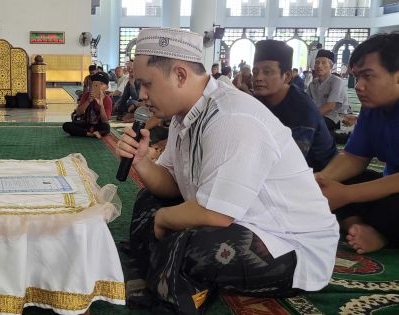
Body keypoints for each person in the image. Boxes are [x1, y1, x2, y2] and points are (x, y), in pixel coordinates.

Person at [117, 28, 338, 314]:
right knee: (149, 200)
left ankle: (173, 286)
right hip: (232, 217)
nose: (143, 95)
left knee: (196, 243)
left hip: (287, 243)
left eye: (147, 84)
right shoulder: (183, 116)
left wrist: (163, 219)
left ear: (180, 75)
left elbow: (216, 214)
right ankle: (162, 262)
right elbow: (172, 184)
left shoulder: (232, 117)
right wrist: (142, 161)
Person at [315, 32, 399, 255]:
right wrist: (321, 180)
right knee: (333, 184)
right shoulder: (373, 110)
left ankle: (381, 235)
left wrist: (348, 195)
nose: (358, 86)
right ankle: (358, 227)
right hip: (389, 188)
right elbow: (354, 157)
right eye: (357, 77)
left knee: (386, 206)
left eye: (368, 76)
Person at [252, 40, 337, 171]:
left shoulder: (302, 110)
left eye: (267, 72)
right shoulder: (259, 98)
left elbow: (291, 164)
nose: (258, 78)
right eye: (255, 72)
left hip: (319, 173)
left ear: (286, 76)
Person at [307, 49, 347, 134]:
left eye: (323, 63)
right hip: (317, 116)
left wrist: (310, 118)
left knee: (311, 125)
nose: (319, 66)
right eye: (317, 62)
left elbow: (330, 106)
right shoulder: (312, 84)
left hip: (334, 118)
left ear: (331, 66)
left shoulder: (337, 81)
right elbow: (307, 104)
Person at [63, 72, 112, 139]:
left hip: (99, 125)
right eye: (95, 84)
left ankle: (86, 132)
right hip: (86, 123)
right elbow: (78, 113)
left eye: (102, 84)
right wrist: (88, 101)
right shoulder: (86, 95)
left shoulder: (107, 99)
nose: (98, 86)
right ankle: (90, 134)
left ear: (106, 87)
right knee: (66, 125)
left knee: (106, 127)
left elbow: (105, 121)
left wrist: (101, 105)